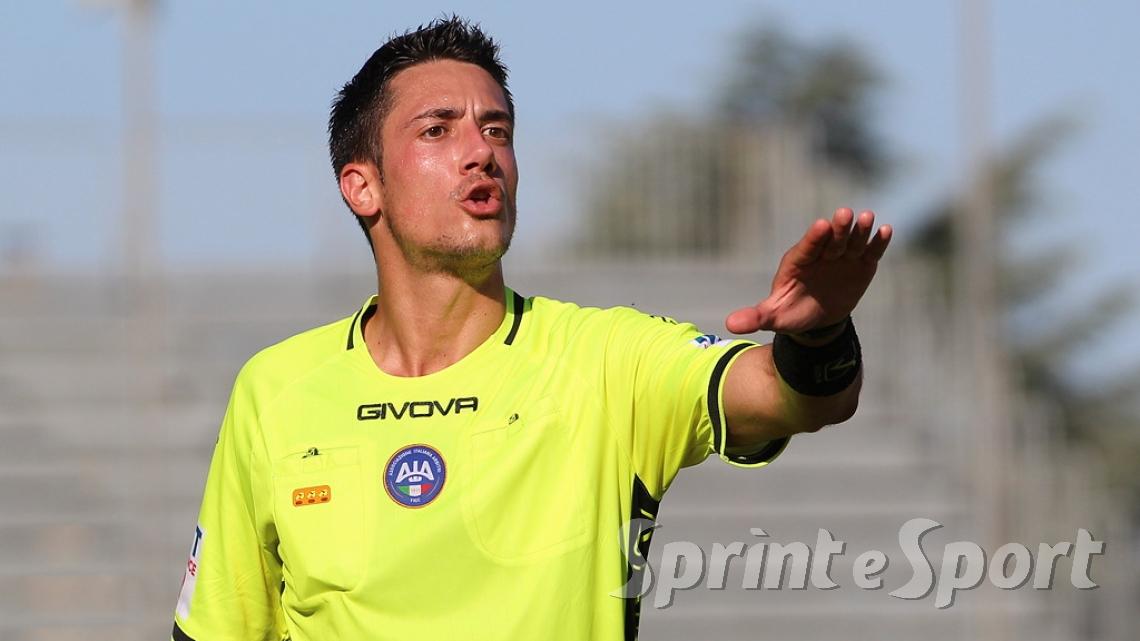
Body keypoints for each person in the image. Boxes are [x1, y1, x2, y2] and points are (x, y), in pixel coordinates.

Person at [170, 16, 891, 641]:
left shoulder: (606, 360)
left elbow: (793, 397)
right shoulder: (276, 389)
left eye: (497, 130)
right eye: (437, 129)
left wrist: (819, 332)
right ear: (363, 185)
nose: (481, 151)